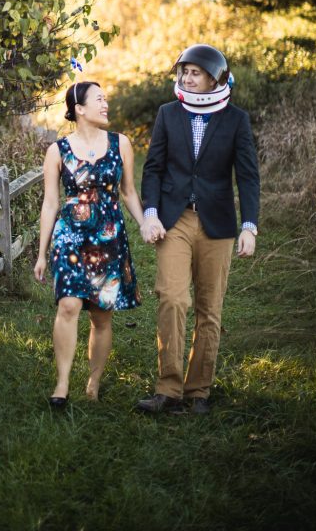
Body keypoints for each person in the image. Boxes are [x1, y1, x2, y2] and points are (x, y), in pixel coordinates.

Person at [137, 44, 260, 416]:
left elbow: (248, 176)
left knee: (210, 308)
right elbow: (153, 167)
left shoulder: (236, 119)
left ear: (214, 77)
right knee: (173, 298)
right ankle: (168, 389)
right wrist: (151, 213)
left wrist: (249, 225)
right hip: (174, 219)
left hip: (217, 224)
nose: (186, 78)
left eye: (194, 72)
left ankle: (198, 392)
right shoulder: (167, 114)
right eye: (183, 72)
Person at [34, 80, 144, 407]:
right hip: (70, 233)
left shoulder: (121, 143)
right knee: (69, 305)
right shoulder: (58, 150)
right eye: (99, 99)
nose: (106, 104)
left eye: (106, 98)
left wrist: (145, 223)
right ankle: (62, 384)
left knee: (101, 315)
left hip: (108, 235)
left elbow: (128, 192)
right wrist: (41, 254)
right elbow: (50, 203)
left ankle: (93, 383)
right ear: (79, 108)